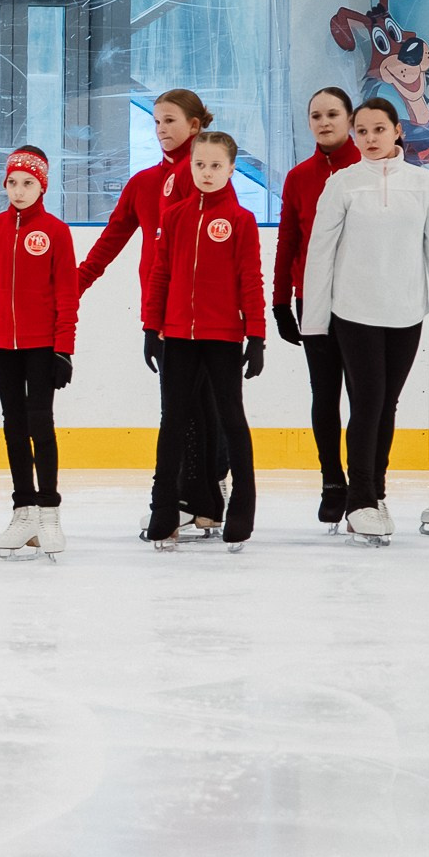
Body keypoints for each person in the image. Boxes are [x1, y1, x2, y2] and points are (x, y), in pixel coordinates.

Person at [299, 97, 429, 547]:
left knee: (386, 405)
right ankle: (360, 500)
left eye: (378, 130)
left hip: (406, 313)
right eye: (362, 132)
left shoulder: (425, 186)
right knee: (369, 402)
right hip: (353, 313)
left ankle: (376, 492)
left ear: (398, 131)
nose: (369, 139)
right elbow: (320, 255)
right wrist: (314, 325)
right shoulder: (342, 184)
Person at [81, 89, 226, 533]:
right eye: (157, 122)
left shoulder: (202, 174)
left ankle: (199, 492)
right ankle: (201, 493)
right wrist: (72, 286)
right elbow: (111, 239)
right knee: (185, 406)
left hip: (203, 312)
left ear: (195, 126)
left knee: (203, 406)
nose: (161, 129)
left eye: (170, 121)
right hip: (162, 313)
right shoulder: (144, 183)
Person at [139, 131, 266, 550]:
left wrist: (256, 336)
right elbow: (161, 274)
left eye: (216, 166)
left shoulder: (241, 220)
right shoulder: (174, 216)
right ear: (189, 166)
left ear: (231, 169)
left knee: (232, 419)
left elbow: (250, 280)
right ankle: (163, 510)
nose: (207, 173)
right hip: (177, 336)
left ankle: (243, 509)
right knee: (172, 421)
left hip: (223, 338)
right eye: (199, 165)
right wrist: (151, 327)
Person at [0, 146, 78, 558]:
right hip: (2, 346)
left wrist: (64, 349)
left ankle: (49, 510)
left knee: (39, 423)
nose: (18, 190)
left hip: (42, 344)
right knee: (13, 425)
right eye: (12, 182)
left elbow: (67, 294)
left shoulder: (56, 232)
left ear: (42, 185)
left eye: (28, 183)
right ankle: (23, 507)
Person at [270, 87, 361, 526]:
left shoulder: (368, 170)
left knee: (366, 395)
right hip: (314, 299)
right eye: (316, 116)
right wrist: (280, 301)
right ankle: (332, 479)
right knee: (325, 393)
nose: (324, 122)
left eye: (332, 114)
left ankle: (365, 483)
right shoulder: (299, 177)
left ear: (349, 118)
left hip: (366, 298)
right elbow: (288, 240)